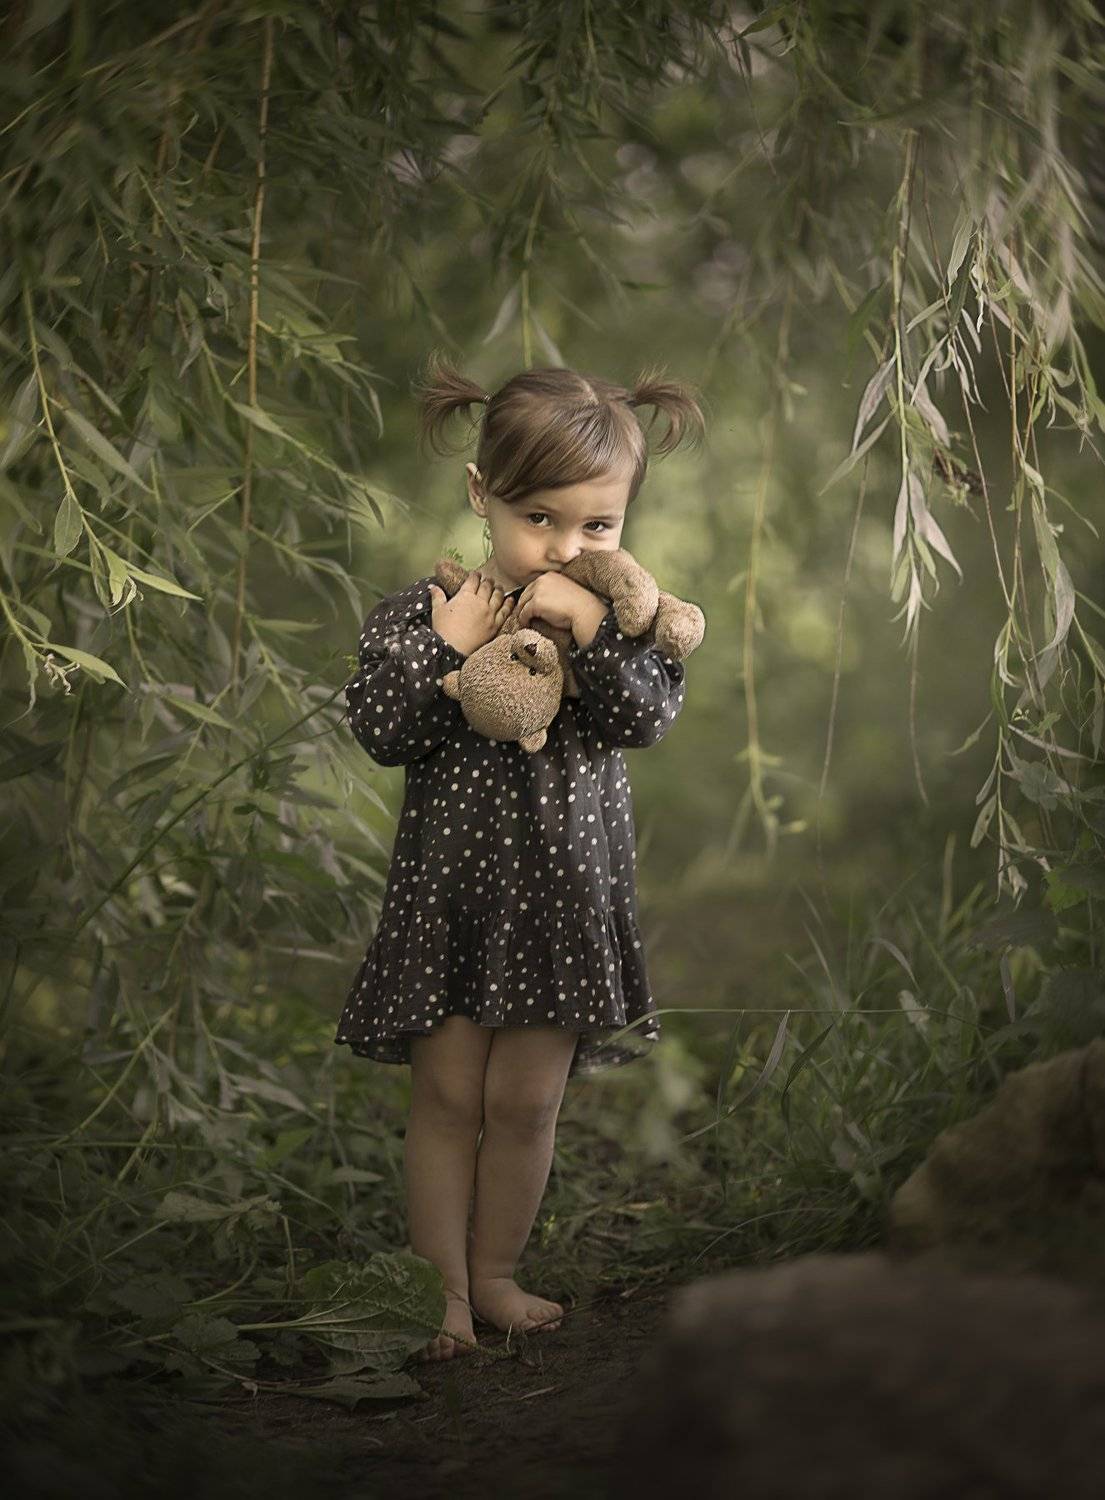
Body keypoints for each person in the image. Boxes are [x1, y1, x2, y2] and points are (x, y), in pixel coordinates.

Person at [335, 353, 705, 1363]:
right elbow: (379, 728)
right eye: (538, 517)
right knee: (449, 1098)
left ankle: (495, 1273)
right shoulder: (425, 612)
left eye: (597, 525)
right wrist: (448, 647)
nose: (566, 545)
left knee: (525, 1102)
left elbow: (645, 719)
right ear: (481, 495)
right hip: (450, 903)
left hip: (560, 906)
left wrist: (592, 637)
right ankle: (441, 1292)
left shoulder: (621, 625)